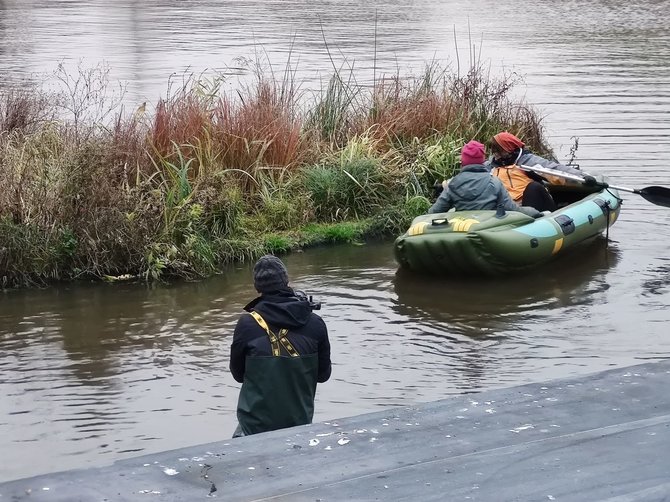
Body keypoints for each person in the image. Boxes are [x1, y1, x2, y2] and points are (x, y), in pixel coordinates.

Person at [229, 255, 331, 437]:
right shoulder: (315, 323)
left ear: (257, 287)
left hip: (254, 428)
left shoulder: (247, 324)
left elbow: (238, 375)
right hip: (300, 424)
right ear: (287, 281)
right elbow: (323, 376)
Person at [486, 131, 597, 212]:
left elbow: (555, 170)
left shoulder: (528, 162)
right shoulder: (491, 167)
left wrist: (581, 176)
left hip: (533, 204)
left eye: (499, 151)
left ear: (509, 148)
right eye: (494, 151)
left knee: (533, 187)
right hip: (509, 207)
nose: (496, 154)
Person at [429, 140, 541, 218]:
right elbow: (513, 210)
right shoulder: (494, 182)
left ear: (463, 162)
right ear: (482, 161)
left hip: (463, 229)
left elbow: (434, 212)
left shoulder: (453, 184)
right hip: (488, 228)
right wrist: (537, 212)